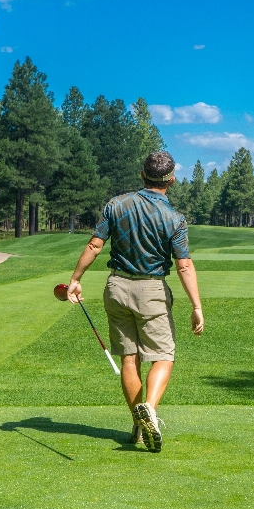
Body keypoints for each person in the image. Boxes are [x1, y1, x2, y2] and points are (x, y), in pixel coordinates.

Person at [66, 151, 203, 453]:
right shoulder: (175, 219)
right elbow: (183, 265)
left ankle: (139, 425)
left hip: (116, 287)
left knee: (130, 358)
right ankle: (150, 410)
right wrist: (196, 306)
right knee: (163, 356)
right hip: (151, 290)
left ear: (142, 175)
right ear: (172, 179)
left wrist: (76, 279)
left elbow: (95, 244)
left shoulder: (116, 204)